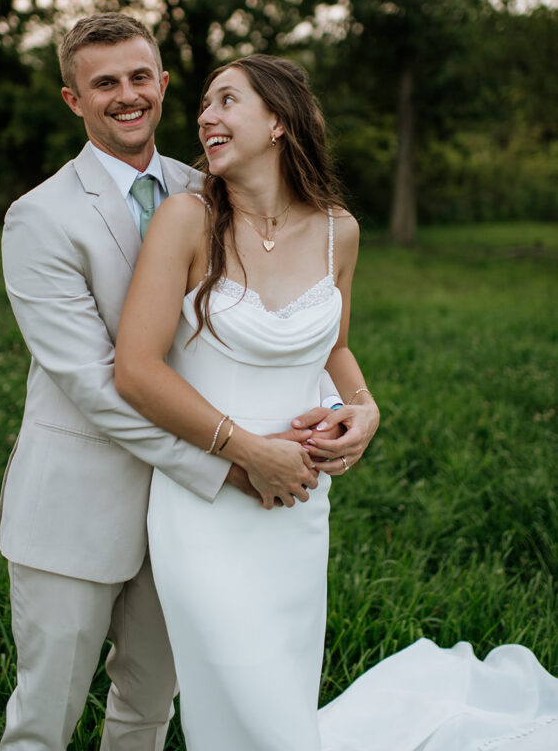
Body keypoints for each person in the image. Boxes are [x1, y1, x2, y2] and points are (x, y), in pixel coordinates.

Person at [115, 54, 558, 751]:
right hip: (206, 503)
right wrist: (248, 448)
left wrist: (366, 408)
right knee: (235, 685)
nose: (205, 116)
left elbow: (332, 345)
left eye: (227, 101)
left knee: (283, 688)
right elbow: (136, 371)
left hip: (299, 504)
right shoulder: (185, 219)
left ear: (278, 123)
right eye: (204, 104)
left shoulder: (337, 232)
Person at [0, 15, 378, 751]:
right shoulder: (39, 218)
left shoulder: (209, 189)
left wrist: (353, 409)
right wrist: (234, 461)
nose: (127, 95)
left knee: (149, 707)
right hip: (86, 497)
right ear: (74, 99)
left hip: (200, 516)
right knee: (47, 718)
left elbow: (289, 334)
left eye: (141, 77)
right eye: (104, 83)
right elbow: (100, 383)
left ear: (163, 85)